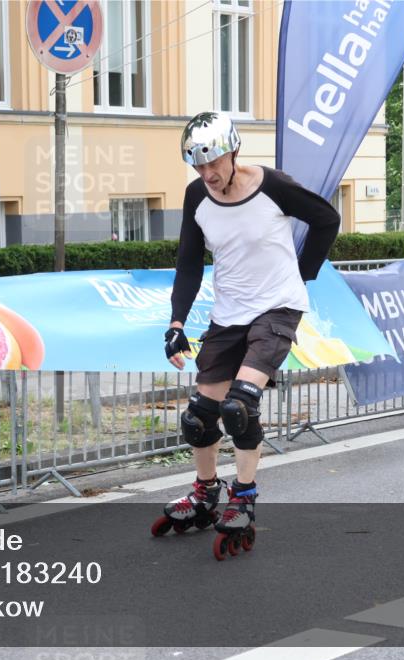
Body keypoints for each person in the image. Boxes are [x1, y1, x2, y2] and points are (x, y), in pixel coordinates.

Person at [152, 111, 339, 557]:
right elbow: (189, 261)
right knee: (199, 416)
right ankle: (204, 491)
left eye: (214, 163)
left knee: (240, 405)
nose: (208, 174)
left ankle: (245, 496)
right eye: (198, 166)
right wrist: (177, 322)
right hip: (229, 313)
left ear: (234, 152)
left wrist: (304, 272)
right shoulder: (197, 196)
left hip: (277, 306)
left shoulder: (272, 185)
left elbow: (326, 219)